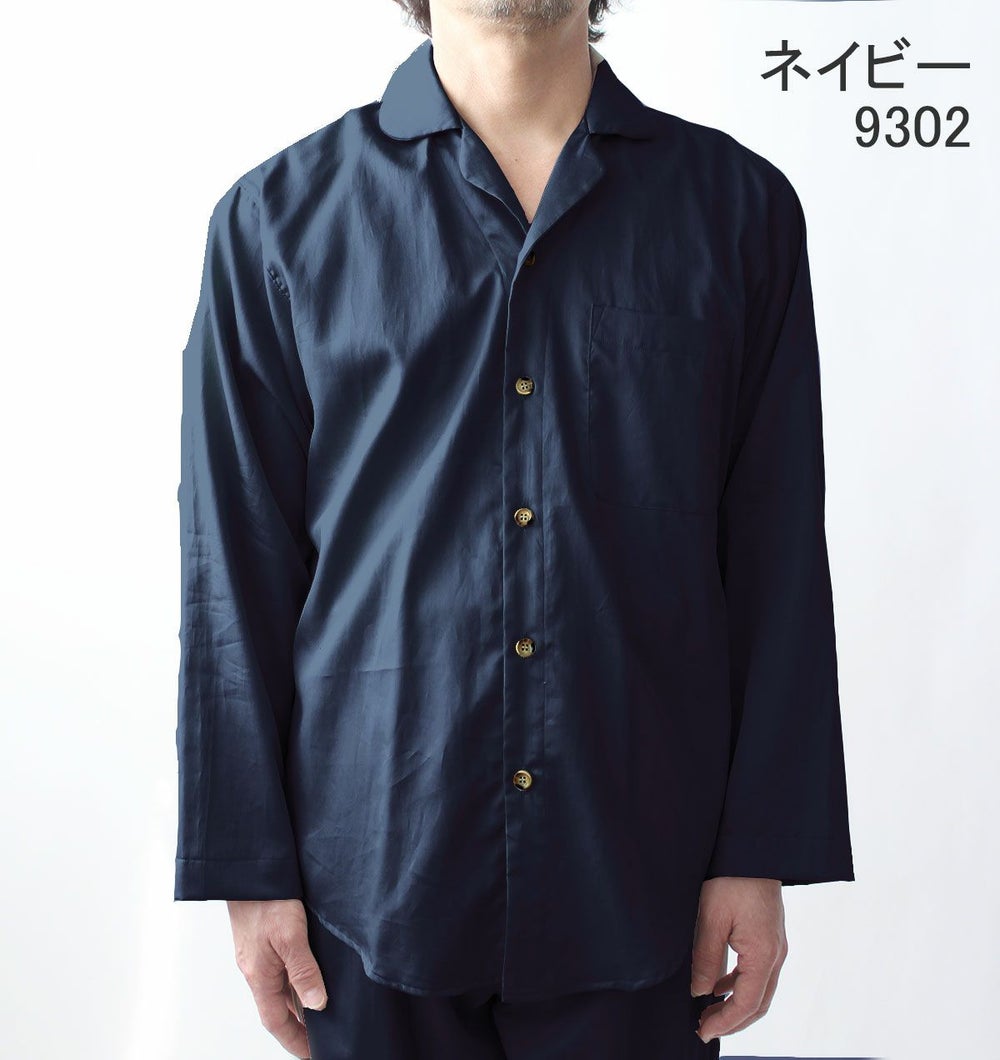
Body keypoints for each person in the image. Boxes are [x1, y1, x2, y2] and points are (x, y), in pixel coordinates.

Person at [173, 1, 855, 1057]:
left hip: (645, 874)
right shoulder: (275, 219)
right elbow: (233, 561)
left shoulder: (736, 209)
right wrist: (248, 867)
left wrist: (755, 848)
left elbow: (776, 550)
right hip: (368, 879)